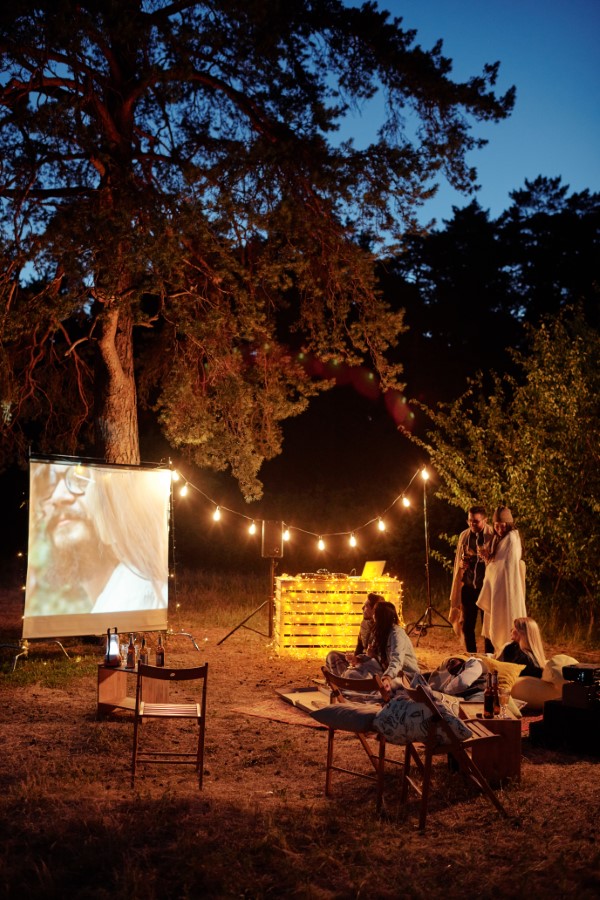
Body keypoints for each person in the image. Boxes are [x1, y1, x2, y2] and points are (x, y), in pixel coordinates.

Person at [26, 461, 170, 616]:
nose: (58, 496)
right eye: (46, 482)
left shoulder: (145, 590)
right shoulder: (105, 605)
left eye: (79, 478)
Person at [330, 600, 420, 693]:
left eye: (375, 615)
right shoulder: (380, 632)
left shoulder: (397, 634)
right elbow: (377, 657)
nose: (373, 617)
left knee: (379, 686)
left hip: (404, 676)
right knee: (352, 674)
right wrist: (358, 659)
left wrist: (387, 677)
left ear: (382, 617)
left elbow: (396, 661)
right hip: (385, 671)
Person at [476, 506, 527, 654]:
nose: (499, 528)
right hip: (499, 589)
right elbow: (498, 563)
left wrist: (491, 561)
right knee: (497, 623)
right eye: (496, 525)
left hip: (506, 590)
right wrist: (489, 557)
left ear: (509, 523)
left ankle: (507, 654)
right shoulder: (501, 538)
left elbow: (504, 567)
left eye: (502, 525)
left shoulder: (511, 539)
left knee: (505, 623)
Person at [448, 505, 494, 653]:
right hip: (468, 586)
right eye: (470, 521)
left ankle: (489, 658)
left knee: (488, 627)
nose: (472, 524)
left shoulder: (492, 535)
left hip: (486, 588)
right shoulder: (464, 536)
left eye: (476, 521)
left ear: (485, 520)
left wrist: (487, 557)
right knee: (467, 626)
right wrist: (462, 564)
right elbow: (459, 561)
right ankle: (472, 657)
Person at [325, 592, 383, 676]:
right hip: (361, 658)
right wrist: (354, 658)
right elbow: (359, 646)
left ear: (374, 609)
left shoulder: (382, 627)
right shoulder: (364, 624)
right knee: (332, 655)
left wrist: (367, 657)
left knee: (356, 671)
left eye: (366, 606)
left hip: (371, 663)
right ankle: (342, 679)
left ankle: (347, 680)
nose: (362, 608)